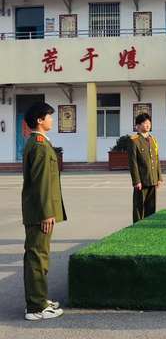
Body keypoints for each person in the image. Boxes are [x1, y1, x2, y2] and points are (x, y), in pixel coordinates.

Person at [22, 102, 66, 321]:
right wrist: (46, 213)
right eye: (49, 116)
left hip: (39, 211)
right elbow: (40, 183)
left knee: (40, 256)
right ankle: (36, 307)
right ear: (39, 120)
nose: (52, 119)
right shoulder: (39, 145)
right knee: (37, 257)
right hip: (39, 212)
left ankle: (39, 298)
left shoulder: (39, 143)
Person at [128, 113, 163, 223]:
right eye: (144, 123)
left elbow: (156, 159)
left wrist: (159, 177)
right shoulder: (134, 140)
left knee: (151, 206)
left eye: (149, 123)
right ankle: (137, 227)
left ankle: (149, 226)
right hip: (141, 181)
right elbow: (133, 163)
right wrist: (136, 181)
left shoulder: (153, 140)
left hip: (152, 178)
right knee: (139, 207)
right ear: (138, 126)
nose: (147, 125)